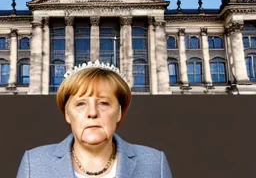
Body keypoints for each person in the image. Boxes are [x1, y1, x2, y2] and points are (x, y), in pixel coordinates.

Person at [17, 61, 172, 177]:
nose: (92, 113)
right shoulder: (34, 164)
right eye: (81, 104)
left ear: (119, 112)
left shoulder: (154, 163)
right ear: (67, 113)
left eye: (103, 103)